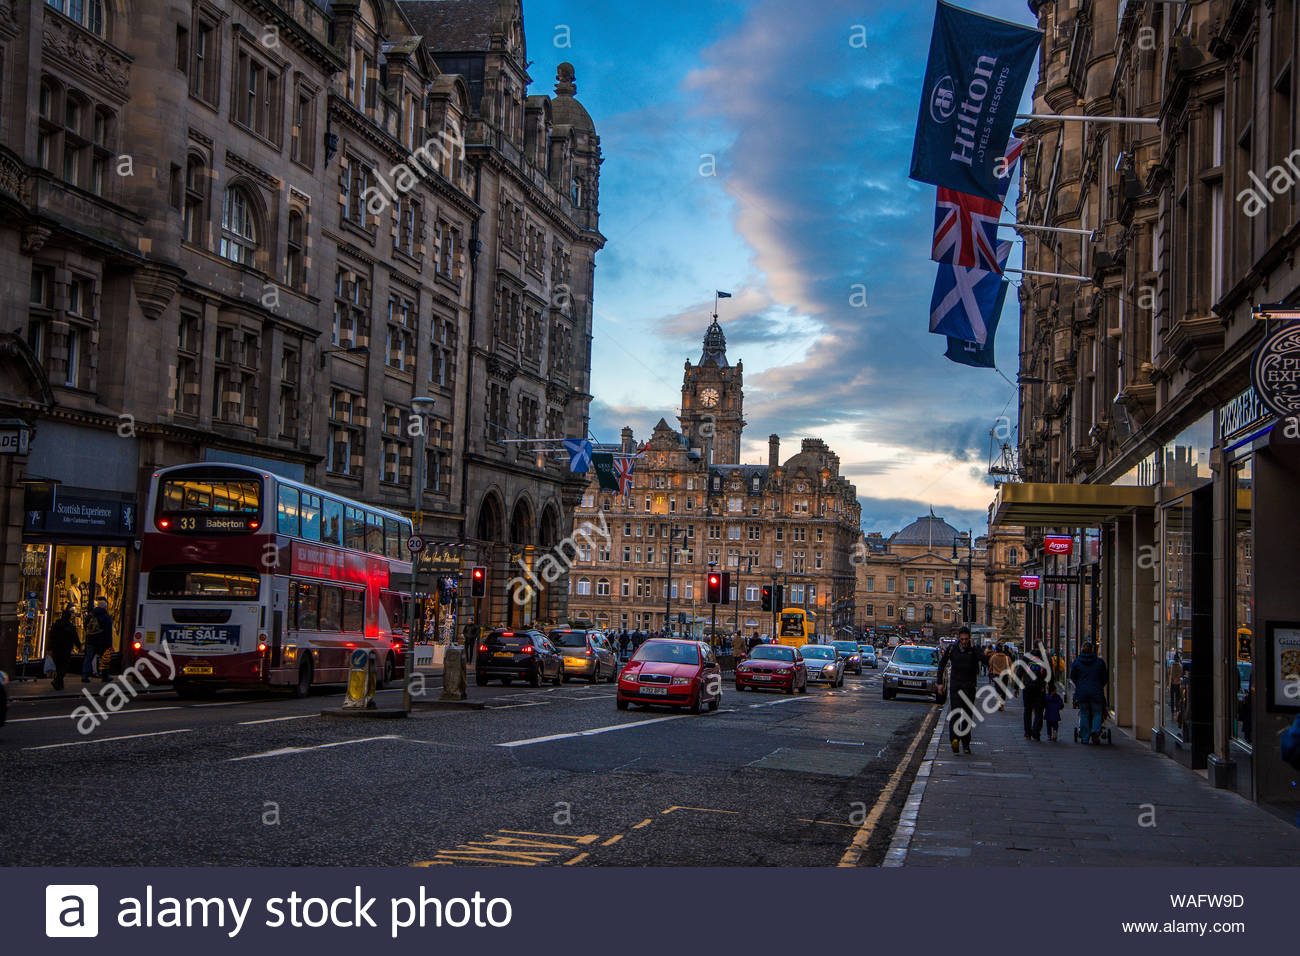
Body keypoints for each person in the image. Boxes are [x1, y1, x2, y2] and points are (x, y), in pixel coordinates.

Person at [937, 626, 986, 755]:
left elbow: (985, 661)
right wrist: (939, 683)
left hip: (970, 687)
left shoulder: (974, 650)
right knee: (956, 714)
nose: (964, 641)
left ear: (969, 638)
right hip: (956, 687)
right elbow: (941, 664)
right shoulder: (952, 649)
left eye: (966, 639)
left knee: (967, 716)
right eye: (962, 639)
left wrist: (975, 648)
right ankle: (954, 740)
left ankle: (965, 744)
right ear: (959, 638)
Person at [1070, 641, 1109, 744]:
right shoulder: (1100, 662)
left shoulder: (1077, 662)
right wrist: (1099, 685)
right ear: (1092, 650)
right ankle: (1096, 732)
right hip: (1096, 692)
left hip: (1082, 692)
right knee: (1097, 713)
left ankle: (1085, 737)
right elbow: (1105, 678)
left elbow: (1073, 677)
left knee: (1084, 713)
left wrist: (1079, 685)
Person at [48, 605, 79, 691]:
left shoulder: (55, 625)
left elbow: (51, 636)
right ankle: (58, 681)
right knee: (63, 666)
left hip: (56, 649)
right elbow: (75, 638)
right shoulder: (70, 627)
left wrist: (49, 647)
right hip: (66, 649)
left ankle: (59, 683)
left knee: (58, 666)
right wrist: (79, 646)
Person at [83, 598, 113, 682]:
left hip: (90, 640)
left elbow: (86, 626)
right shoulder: (106, 617)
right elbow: (108, 632)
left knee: (88, 658)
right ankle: (105, 676)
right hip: (102, 642)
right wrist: (109, 644)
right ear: (105, 607)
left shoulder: (90, 615)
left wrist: (89, 635)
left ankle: (84, 676)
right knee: (104, 659)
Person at [1021, 652, 1048, 740]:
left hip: (1027, 687)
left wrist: (1015, 687)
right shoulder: (1045, 657)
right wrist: (1051, 687)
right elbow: (1050, 674)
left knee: (1027, 710)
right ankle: (1036, 733)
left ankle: (1027, 733)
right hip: (1040, 688)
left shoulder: (1026, 657)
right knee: (1039, 711)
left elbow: (1020, 670)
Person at [987, 644, 1011, 709]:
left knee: (998, 690)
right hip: (1004, 676)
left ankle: (999, 703)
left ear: (996, 650)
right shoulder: (1007, 657)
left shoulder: (993, 657)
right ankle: (1002, 704)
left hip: (996, 675)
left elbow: (990, 664)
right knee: (1004, 690)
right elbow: (1010, 666)